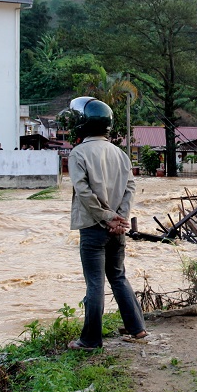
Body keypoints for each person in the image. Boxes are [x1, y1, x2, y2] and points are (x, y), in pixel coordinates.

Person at [66, 96, 146, 350]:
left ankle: (90, 340)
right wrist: (120, 219)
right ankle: (137, 329)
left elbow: (83, 192)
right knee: (118, 276)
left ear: (82, 124)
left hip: (93, 228)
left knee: (95, 283)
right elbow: (130, 188)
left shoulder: (78, 153)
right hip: (117, 229)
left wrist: (106, 217)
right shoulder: (120, 154)